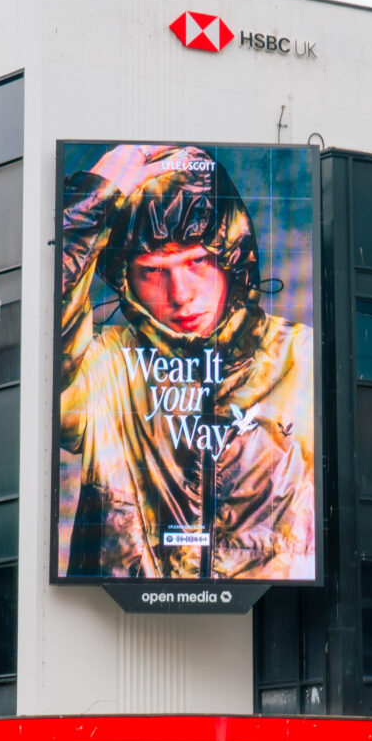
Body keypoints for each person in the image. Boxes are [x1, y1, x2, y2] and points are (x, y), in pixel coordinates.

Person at [55, 143, 317, 582]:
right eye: (153, 271)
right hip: (113, 630)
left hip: (271, 628)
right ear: (124, 278)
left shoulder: (303, 360)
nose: (181, 294)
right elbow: (45, 326)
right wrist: (96, 194)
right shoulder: (106, 368)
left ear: (233, 253)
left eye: (198, 261)